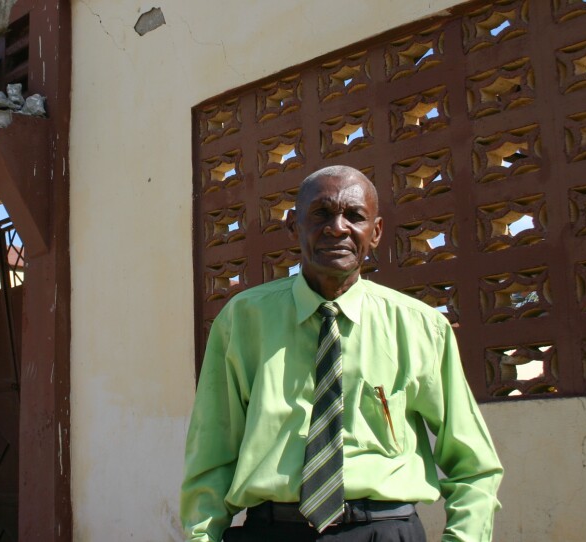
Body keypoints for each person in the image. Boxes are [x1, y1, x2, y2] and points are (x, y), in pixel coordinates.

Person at [180, 165, 503, 541]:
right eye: (320, 213)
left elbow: (474, 465)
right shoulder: (243, 320)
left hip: (384, 530)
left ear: (376, 231)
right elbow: (211, 455)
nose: (337, 227)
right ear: (293, 226)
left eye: (354, 215)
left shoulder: (419, 327)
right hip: (273, 529)